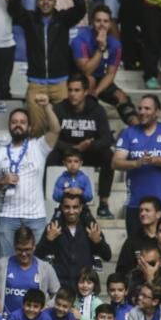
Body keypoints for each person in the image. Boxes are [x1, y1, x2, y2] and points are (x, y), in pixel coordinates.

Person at [0, 97, 60, 258]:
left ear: (29, 126)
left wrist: (47, 108)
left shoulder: (39, 147)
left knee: (39, 261)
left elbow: (55, 130)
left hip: (35, 215)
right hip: (7, 215)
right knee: (4, 261)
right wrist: (3, 181)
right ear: (9, 126)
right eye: (14, 122)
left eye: (22, 121)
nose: (18, 125)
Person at [8, 0, 86, 134]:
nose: (46, 2)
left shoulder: (63, 19)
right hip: (36, 84)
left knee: (63, 130)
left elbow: (81, 8)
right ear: (37, 2)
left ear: (55, 1)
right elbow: (12, 7)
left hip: (60, 84)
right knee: (37, 129)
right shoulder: (29, 19)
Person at [112, 95, 161, 236]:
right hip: (135, 204)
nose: (142, 112)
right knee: (135, 249)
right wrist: (136, 163)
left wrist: (153, 160)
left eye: (147, 108)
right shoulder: (129, 133)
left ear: (157, 112)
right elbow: (115, 162)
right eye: (140, 108)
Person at [49, 75, 115, 220]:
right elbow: (51, 138)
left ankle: (103, 203)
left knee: (108, 155)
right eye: (70, 90)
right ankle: (47, 199)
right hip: (66, 153)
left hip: (89, 152)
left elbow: (106, 139)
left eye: (77, 90)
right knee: (49, 155)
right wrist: (74, 147)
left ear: (85, 92)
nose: (72, 94)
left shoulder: (97, 110)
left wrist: (90, 145)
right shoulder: (59, 109)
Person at [71, 5, 137, 127]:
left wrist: (97, 91)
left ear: (110, 24)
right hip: (78, 77)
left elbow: (111, 74)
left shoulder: (115, 44)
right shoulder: (80, 39)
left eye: (106, 21)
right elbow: (87, 70)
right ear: (92, 22)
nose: (102, 24)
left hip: (100, 78)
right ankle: (88, 125)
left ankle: (139, 131)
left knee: (121, 97)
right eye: (98, 21)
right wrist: (101, 48)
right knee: (90, 80)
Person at [36, 194, 111, 289]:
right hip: (61, 288)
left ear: (81, 208)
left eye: (75, 207)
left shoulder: (90, 228)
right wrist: (48, 240)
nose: (71, 211)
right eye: (67, 207)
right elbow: (37, 255)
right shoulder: (54, 228)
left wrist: (98, 242)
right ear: (61, 207)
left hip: (84, 287)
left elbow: (107, 256)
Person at [0, 225, 58, 317]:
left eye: (27, 249)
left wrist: (46, 307)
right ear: (14, 246)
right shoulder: (0, 266)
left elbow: (58, 293)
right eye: (20, 249)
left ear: (34, 246)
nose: (24, 254)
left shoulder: (45, 268)